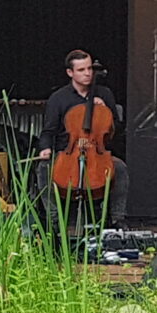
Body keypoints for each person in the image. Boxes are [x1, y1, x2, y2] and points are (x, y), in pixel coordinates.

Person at [38, 50, 129, 228]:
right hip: (67, 152)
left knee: (120, 168)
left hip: (97, 152)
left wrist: (106, 112)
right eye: (81, 70)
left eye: (89, 69)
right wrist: (45, 148)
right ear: (70, 73)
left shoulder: (104, 94)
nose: (87, 73)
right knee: (43, 169)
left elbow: (117, 130)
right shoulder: (59, 98)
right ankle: (54, 220)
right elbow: (48, 131)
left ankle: (118, 219)